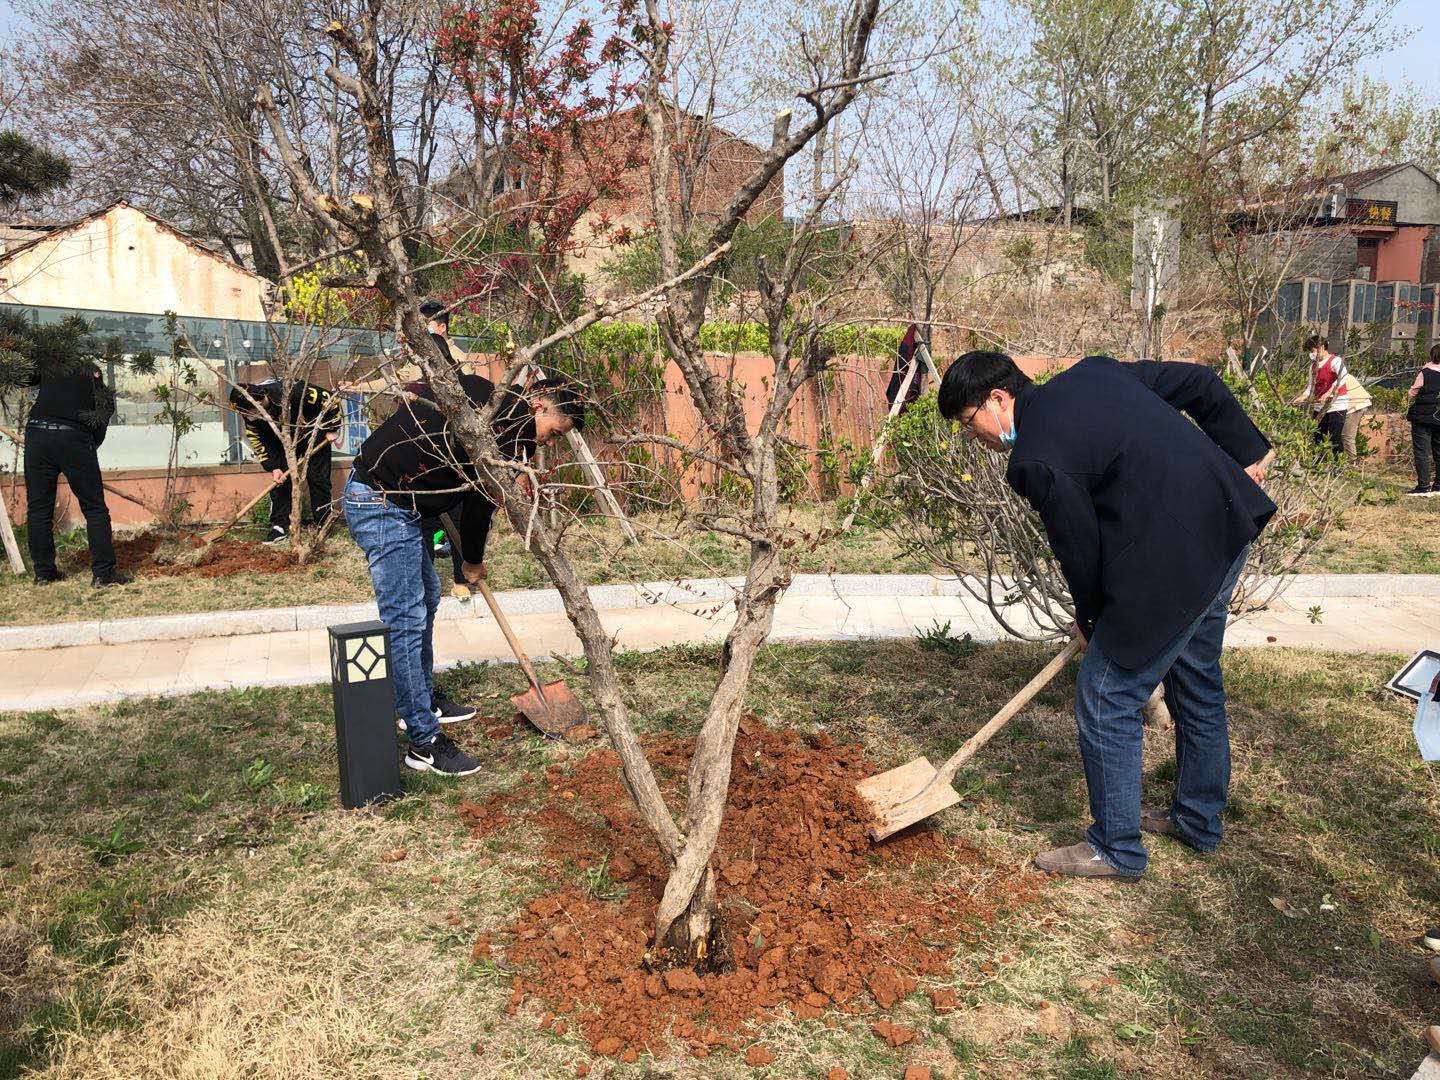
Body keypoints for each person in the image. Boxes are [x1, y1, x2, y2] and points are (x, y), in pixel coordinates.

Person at [937, 352, 1276, 880]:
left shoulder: (1035, 459)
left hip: (1178, 559)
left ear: (998, 400)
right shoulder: (1095, 373)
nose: (972, 436)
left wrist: (1092, 619)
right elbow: (1199, 381)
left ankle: (1115, 848)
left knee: (1105, 692)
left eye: (968, 421)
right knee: (1195, 677)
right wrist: (1249, 449)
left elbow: (1080, 547)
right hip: (1227, 525)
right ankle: (1197, 820)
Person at [344, 343, 586, 777]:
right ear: (539, 405)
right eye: (555, 431)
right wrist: (471, 562)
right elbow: (478, 506)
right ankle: (423, 740)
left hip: (401, 501)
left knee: (425, 600)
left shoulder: (483, 395)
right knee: (405, 619)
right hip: (381, 501)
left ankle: (419, 699)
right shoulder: (500, 431)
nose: (550, 441)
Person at [22, 335, 131, 587]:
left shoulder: (48, 363)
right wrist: (94, 441)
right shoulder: (91, 371)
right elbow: (105, 409)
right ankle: (103, 574)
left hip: (37, 433)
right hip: (73, 436)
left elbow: (25, 375)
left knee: (38, 508)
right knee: (94, 508)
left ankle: (44, 573)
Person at [229, 379, 343, 544]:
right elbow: (258, 440)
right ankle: (279, 526)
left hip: (313, 431)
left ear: (259, 402)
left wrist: (332, 427)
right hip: (282, 440)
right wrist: (273, 467)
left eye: (248, 412)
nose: (246, 417)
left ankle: (323, 522)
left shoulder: (293, 391)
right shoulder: (248, 413)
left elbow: (331, 400)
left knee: (317, 477)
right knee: (281, 481)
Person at [1290, 335, 1351, 456]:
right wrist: (1302, 397)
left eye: (1312, 350)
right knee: (1317, 436)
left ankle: (1337, 464)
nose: (1311, 354)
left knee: (1334, 437)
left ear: (1322, 347)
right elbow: (1310, 387)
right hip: (1319, 406)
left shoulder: (1335, 361)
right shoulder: (1313, 366)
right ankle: (1317, 463)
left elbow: (1343, 377)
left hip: (1337, 405)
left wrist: (1329, 393)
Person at [1406, 343, 1440, 495]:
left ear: (1432, 356)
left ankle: (1424, 486)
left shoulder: (1425, 372)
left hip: (1422, 417)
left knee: (1422, 452)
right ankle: (1438, 485)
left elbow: (1412, 392)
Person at [1338, 371, 1373, 461]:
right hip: (1353, 404)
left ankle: (1352, 461)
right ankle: (1346, 459)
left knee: (1347, 435)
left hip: (1356, 404)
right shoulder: (1339, 372)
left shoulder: (1338, 374)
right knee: (1340, 434)